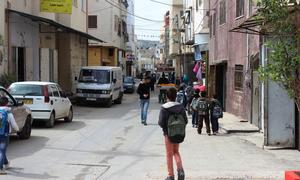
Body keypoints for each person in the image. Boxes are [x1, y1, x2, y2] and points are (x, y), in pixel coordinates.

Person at [159, 88, 187, 180]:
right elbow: (185, 121)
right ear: (176, 96)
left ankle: (170, 175)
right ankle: (181, 171)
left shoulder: (164, 108)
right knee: (176, 151)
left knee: (169, 154)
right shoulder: (181, 107)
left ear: (167, 96)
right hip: (178, 133)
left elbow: (161, 122)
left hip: (168, 134)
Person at [0, 96, 19, 174]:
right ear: (7, 103)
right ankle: (0, 169)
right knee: (2, 150)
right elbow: (13, 124)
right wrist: (17, 130)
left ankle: (6, 164)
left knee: (2, 151)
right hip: (4, 134)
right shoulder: (8, 112)